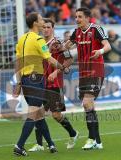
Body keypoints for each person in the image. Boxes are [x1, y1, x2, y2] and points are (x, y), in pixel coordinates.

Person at [13, 12, 68, 156]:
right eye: (40, 19)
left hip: (25, 80)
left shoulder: (22, 39)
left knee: (38, 114)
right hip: (36, 79)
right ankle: (19, 146)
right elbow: (49, 58)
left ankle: (50, 144)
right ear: (36, 23)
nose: (43, 20)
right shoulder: (38, 39)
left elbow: (18, 63)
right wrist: (62, 67)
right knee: (33, 113)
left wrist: (18, 82)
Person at [64, 7, 111, 150]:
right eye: (76, 16)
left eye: (79, 17)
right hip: (83, 72)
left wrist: (100, 51)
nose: (76, 19)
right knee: (88, 107)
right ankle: (98, 141)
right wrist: (60, 49)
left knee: (86, 102)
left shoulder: (96, 29)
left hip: (96, 70)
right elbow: (66, 47)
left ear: (87, 18)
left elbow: (108, 46)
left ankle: (90, 139)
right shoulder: (76, 32)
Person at [28, 18, 79, 152]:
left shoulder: (57, 43)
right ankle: (39, 144)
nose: (45, 29)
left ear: (53, 28)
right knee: (38, 113)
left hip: (54, 82)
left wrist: (56, 72)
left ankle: (73, 133)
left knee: (56, 115)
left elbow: (69, 59)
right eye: (43, 27)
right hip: (41, 82)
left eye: (48, 27)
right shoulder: (38, 42)